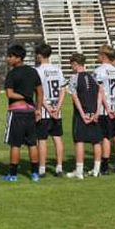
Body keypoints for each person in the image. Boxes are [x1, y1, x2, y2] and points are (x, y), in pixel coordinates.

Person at [3, 44, 43, 182]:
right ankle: (35, 174)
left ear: (19, 58)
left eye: (10, 56)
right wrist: (38, 109)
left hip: (17, 112)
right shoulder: (33, 71)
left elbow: (9, 94)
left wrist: (24, 95)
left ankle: (13, 175)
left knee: (15, 144)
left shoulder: (12, 73)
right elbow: (40, 92)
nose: (8, 59)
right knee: (32, 144)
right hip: (30, 111)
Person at [66, 53, 105, 179]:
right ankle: (96, 170)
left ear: (75, 64)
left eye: (72, 65)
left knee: (79, 141)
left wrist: (82, 114)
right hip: (94, 113)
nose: (71, 67)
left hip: (81, 115)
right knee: (96, 141)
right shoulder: (93, 77)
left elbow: (75, 97)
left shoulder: (74, 78)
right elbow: (100, 94)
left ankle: (79, 171)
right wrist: (97, 112)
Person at [34, 43, 67, 177]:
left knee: (42, 140)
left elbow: (39, 92)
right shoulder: (58, 70)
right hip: (56, 110)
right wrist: (57, 108)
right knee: (57, 138)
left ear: (39, 55)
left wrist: (47, 107)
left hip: (43, 110)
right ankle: (59, 167)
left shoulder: (37, 71)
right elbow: (63, 90)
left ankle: (42, 169)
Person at [93, 45, 115, 174]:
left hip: (105, 110)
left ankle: (105, 166)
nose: (97, 56)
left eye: (99, 54)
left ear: (103, 56)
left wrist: (106, 108)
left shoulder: (98, 71)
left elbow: (100, 92)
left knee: (105, 137)